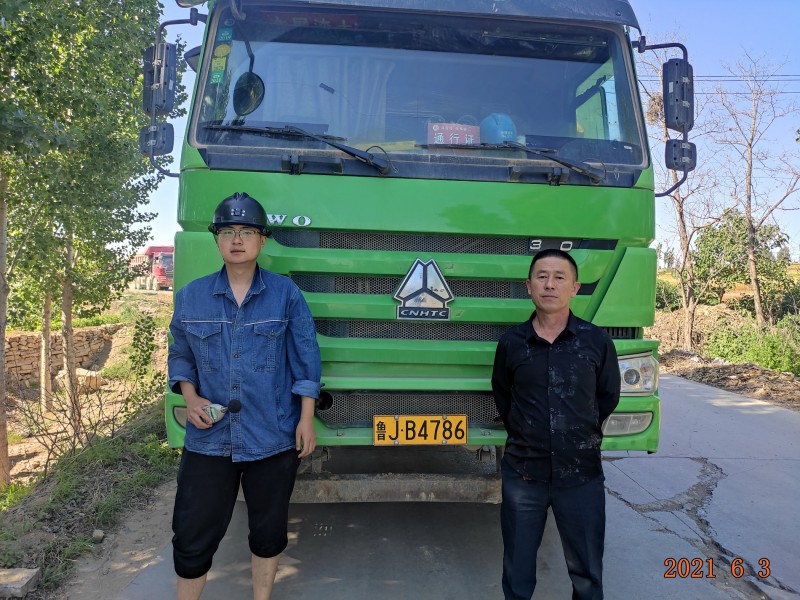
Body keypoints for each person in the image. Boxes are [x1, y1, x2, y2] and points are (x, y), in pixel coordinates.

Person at [168, 192, 321, 600]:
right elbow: (180, 354)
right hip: (209, 438)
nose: (237, 239)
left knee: (268, 533)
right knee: (191, 535)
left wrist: (306, 418)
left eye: (247, 231)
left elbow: (306, 359)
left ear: (262, 240)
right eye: (228, 231)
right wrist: (191, 397)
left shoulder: (286, 295)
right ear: (217, 239)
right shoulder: (191, 296)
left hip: (272, 435)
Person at [491, 249, 620, 600]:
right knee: (517, 574)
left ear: (574, 288)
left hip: (581, 476)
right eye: (542, 276)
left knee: (587, 576)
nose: (550, 284)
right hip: (524, 476)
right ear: (528, 286)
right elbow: (503, 395)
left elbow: (608, 396)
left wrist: (576, 433)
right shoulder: (512, 344)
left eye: (559, 277)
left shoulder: (596, 341)